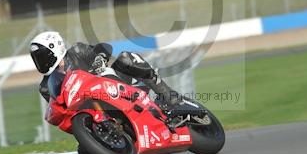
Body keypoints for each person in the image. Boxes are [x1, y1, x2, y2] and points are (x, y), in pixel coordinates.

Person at [29, 31, 189, 112]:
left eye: (42, 56)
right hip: (91, 110)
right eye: (37, 58)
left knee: (126, 58)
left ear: (55, 48)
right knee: (86, 152)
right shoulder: (46, 86)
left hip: (115, 87)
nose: (40, 62)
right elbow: (59, 111)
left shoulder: (77, 51)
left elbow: (104, 47)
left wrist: (99, 59)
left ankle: (171, 97)